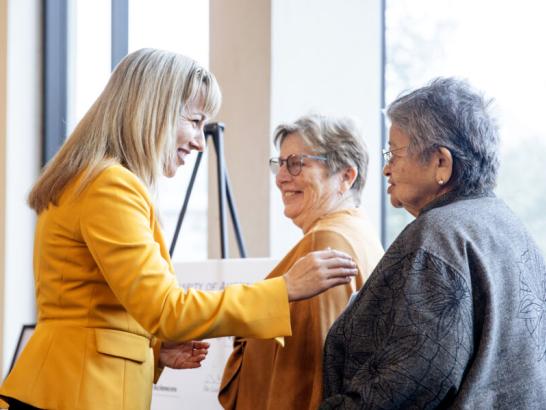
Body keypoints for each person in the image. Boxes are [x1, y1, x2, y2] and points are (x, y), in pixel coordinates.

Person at [0, 48, 358, 410]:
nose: (201, 142)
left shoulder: (93, 180)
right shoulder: (110, 185)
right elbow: (166, 309)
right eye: (195, 121)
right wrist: (284, 289)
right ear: (153, 112)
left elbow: (95, 310)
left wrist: (154, 350)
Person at [320, 77, 546, 409]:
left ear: (441, 162)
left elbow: (406, 386)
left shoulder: (437, 237)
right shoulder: (507, 224)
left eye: (394, 153)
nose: (386, 168)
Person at [219, 114, 384, 409]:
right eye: (279, 164)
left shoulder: (326, 242)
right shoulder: (359, 232)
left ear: (346, 176)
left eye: (296, 163)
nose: (281, 177)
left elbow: (313, 372)